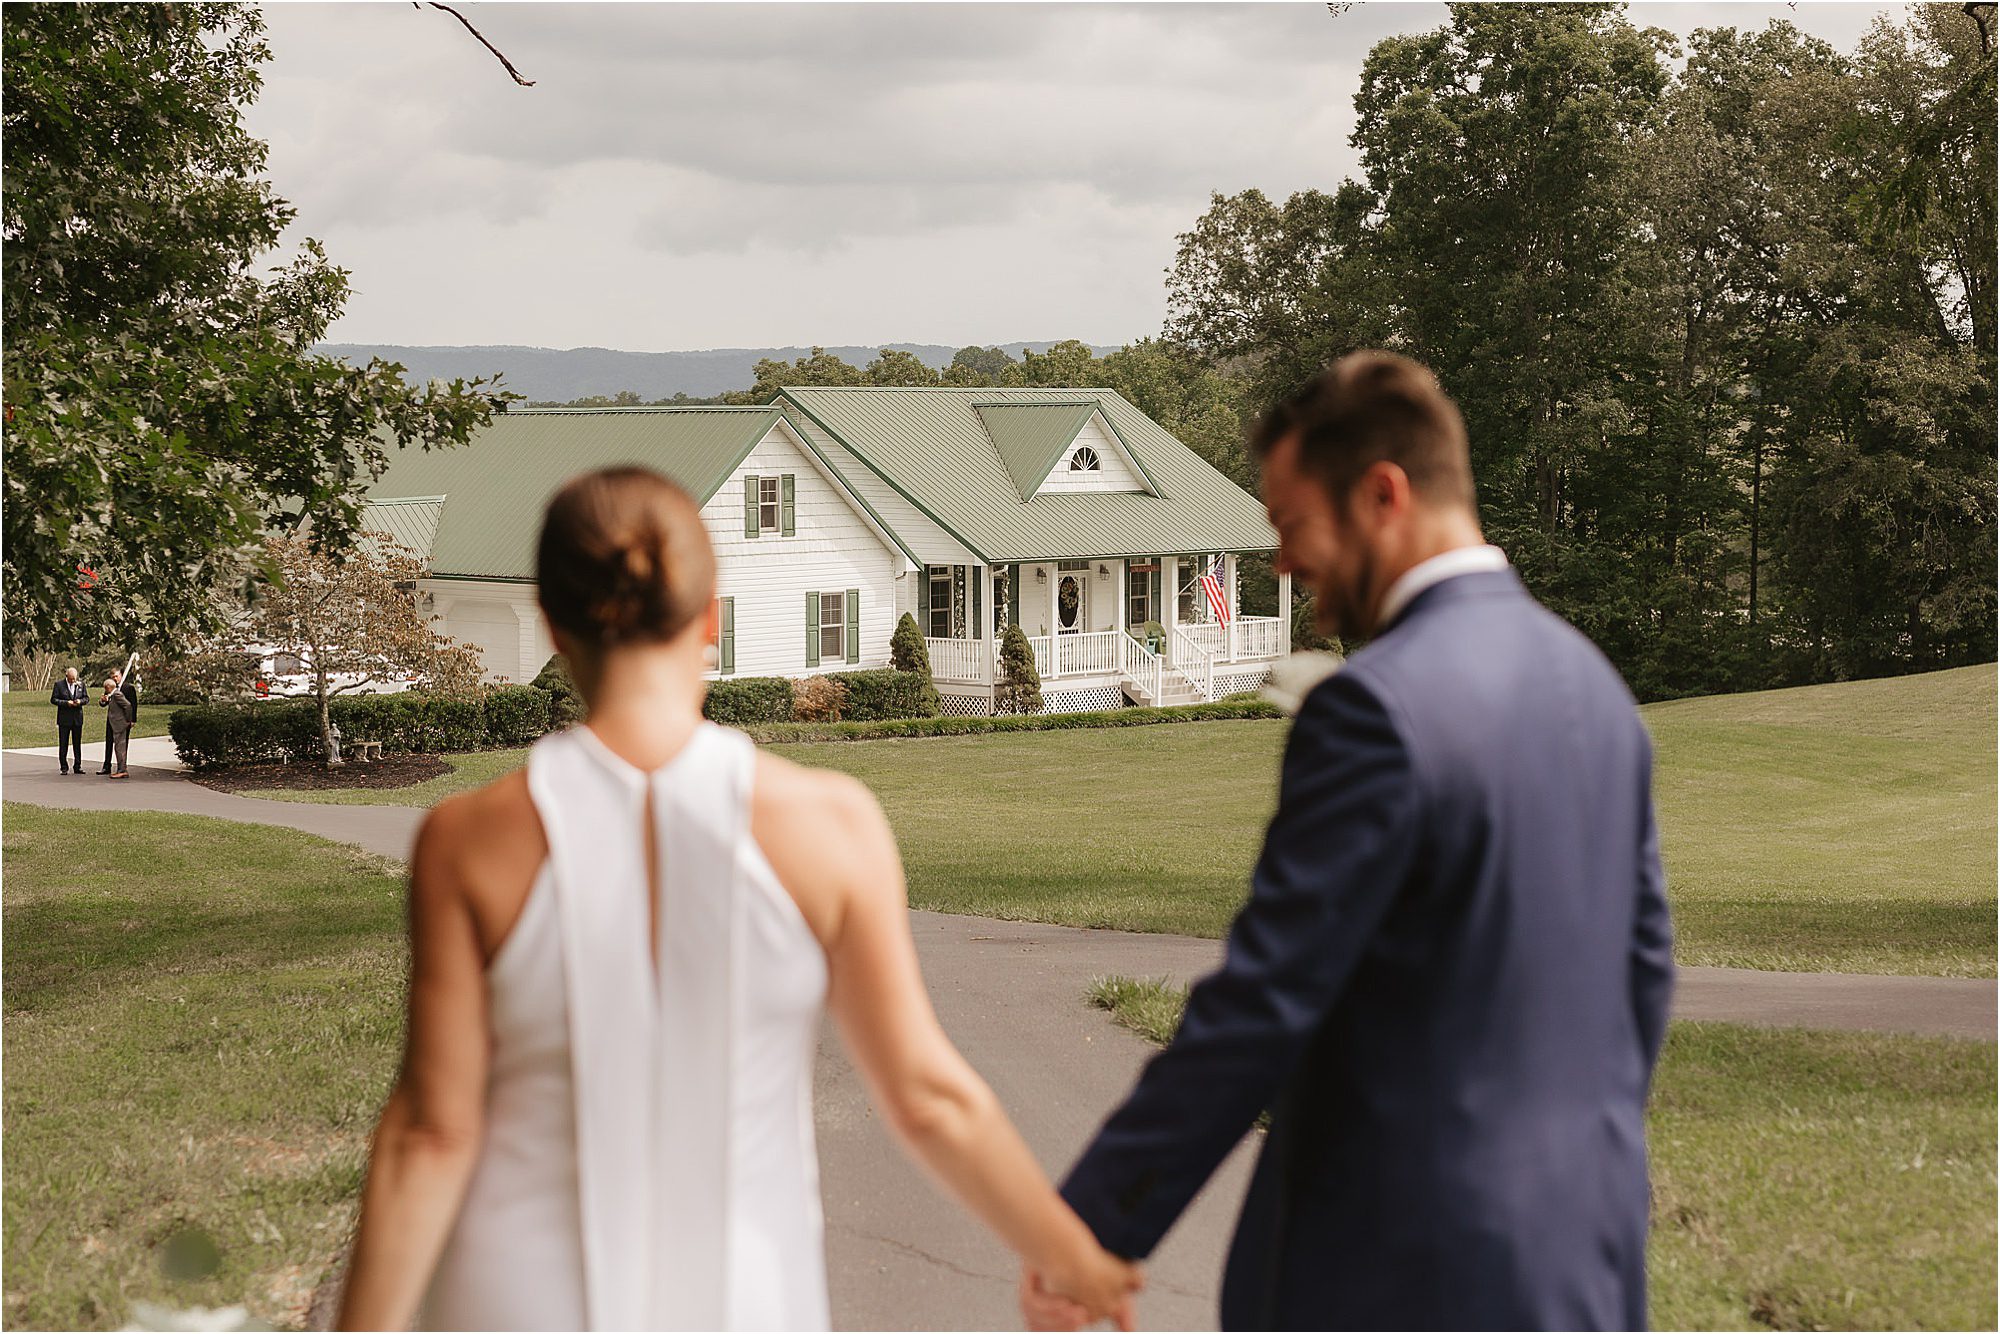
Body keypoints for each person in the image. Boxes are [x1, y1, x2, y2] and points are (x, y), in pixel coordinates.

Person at [336, 466, 1141, 1331]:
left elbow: (431, 1134)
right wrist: (1069, 1257)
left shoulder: (465, 843)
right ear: (712, 620)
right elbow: (927, 1097)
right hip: (746, 1302)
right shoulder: (831, 826)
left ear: (553, 630)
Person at [1030, 352, 1673, 1331]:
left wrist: (1090, 1227)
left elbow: (1261, 1000)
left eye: (1290, 526)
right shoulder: (1591, 688)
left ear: (1382, 493)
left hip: (1399, 1275)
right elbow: (1640, 978)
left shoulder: (1373, 711)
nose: (1282, 564)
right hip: (1578, 1265)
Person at [97, 666, 137, 774]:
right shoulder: (109, 687)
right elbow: (104, 702)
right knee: (109, 742)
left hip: (123, 721)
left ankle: (122, 767)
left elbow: (132, 704)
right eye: (113, 676)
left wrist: (132, 720)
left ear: (121, 675)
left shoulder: (128, 688)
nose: (115, 678)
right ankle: (106, 766)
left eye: (116, 676)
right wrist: (103, 701)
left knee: (122, 744)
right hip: (111, 720)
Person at [51, 668, 87, 774]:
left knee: (77, 743)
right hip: (64, 719)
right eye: (71, 679)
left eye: (74, 679)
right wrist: (67, 703)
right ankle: (64, 767)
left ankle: (78, 765)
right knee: (63, 744)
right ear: (67, 676)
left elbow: (86, 698)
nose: (73, 681)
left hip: (77, 718)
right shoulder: (59, 685)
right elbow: (53, 699)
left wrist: (80, 701)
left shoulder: (81, 685)